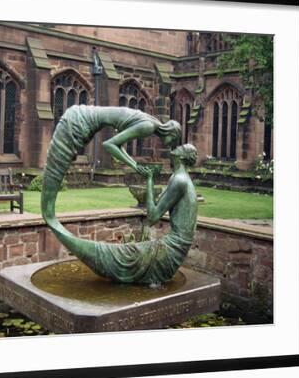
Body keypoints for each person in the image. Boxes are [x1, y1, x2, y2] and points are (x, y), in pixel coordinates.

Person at [41, 103, 197, 285]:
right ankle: (50, 217)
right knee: (49, 205)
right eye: (173, 142)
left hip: (81, 119)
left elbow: (153, 215)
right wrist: (135, 167)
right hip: (78, 121)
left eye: (176, 147)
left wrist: (143, 174)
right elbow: (110, 144)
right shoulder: (149, 127)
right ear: (171, 133)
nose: (171, 147)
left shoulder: (178, 178)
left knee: (125, 257)